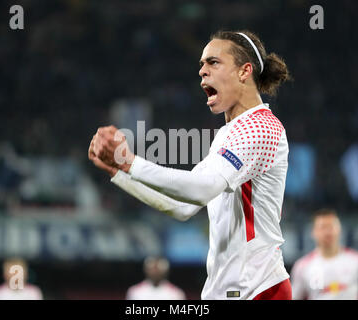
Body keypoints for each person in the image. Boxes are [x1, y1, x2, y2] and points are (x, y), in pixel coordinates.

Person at [89, 30, 291, 300]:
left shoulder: (260, 127)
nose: (202, 71)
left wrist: (130, 163)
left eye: (213, 62)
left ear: (245, 71)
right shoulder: (229, 134)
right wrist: (120, 173)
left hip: (259, 289)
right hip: (230, 291)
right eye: (201, 64)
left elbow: (200, 190)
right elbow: (184, 207)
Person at [290, 209, 358, 300]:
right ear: (313, 232)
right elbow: (295, 297)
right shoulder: (302, 266)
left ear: (339, 229)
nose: (327, 232)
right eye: (323, 227)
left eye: (331, 227)